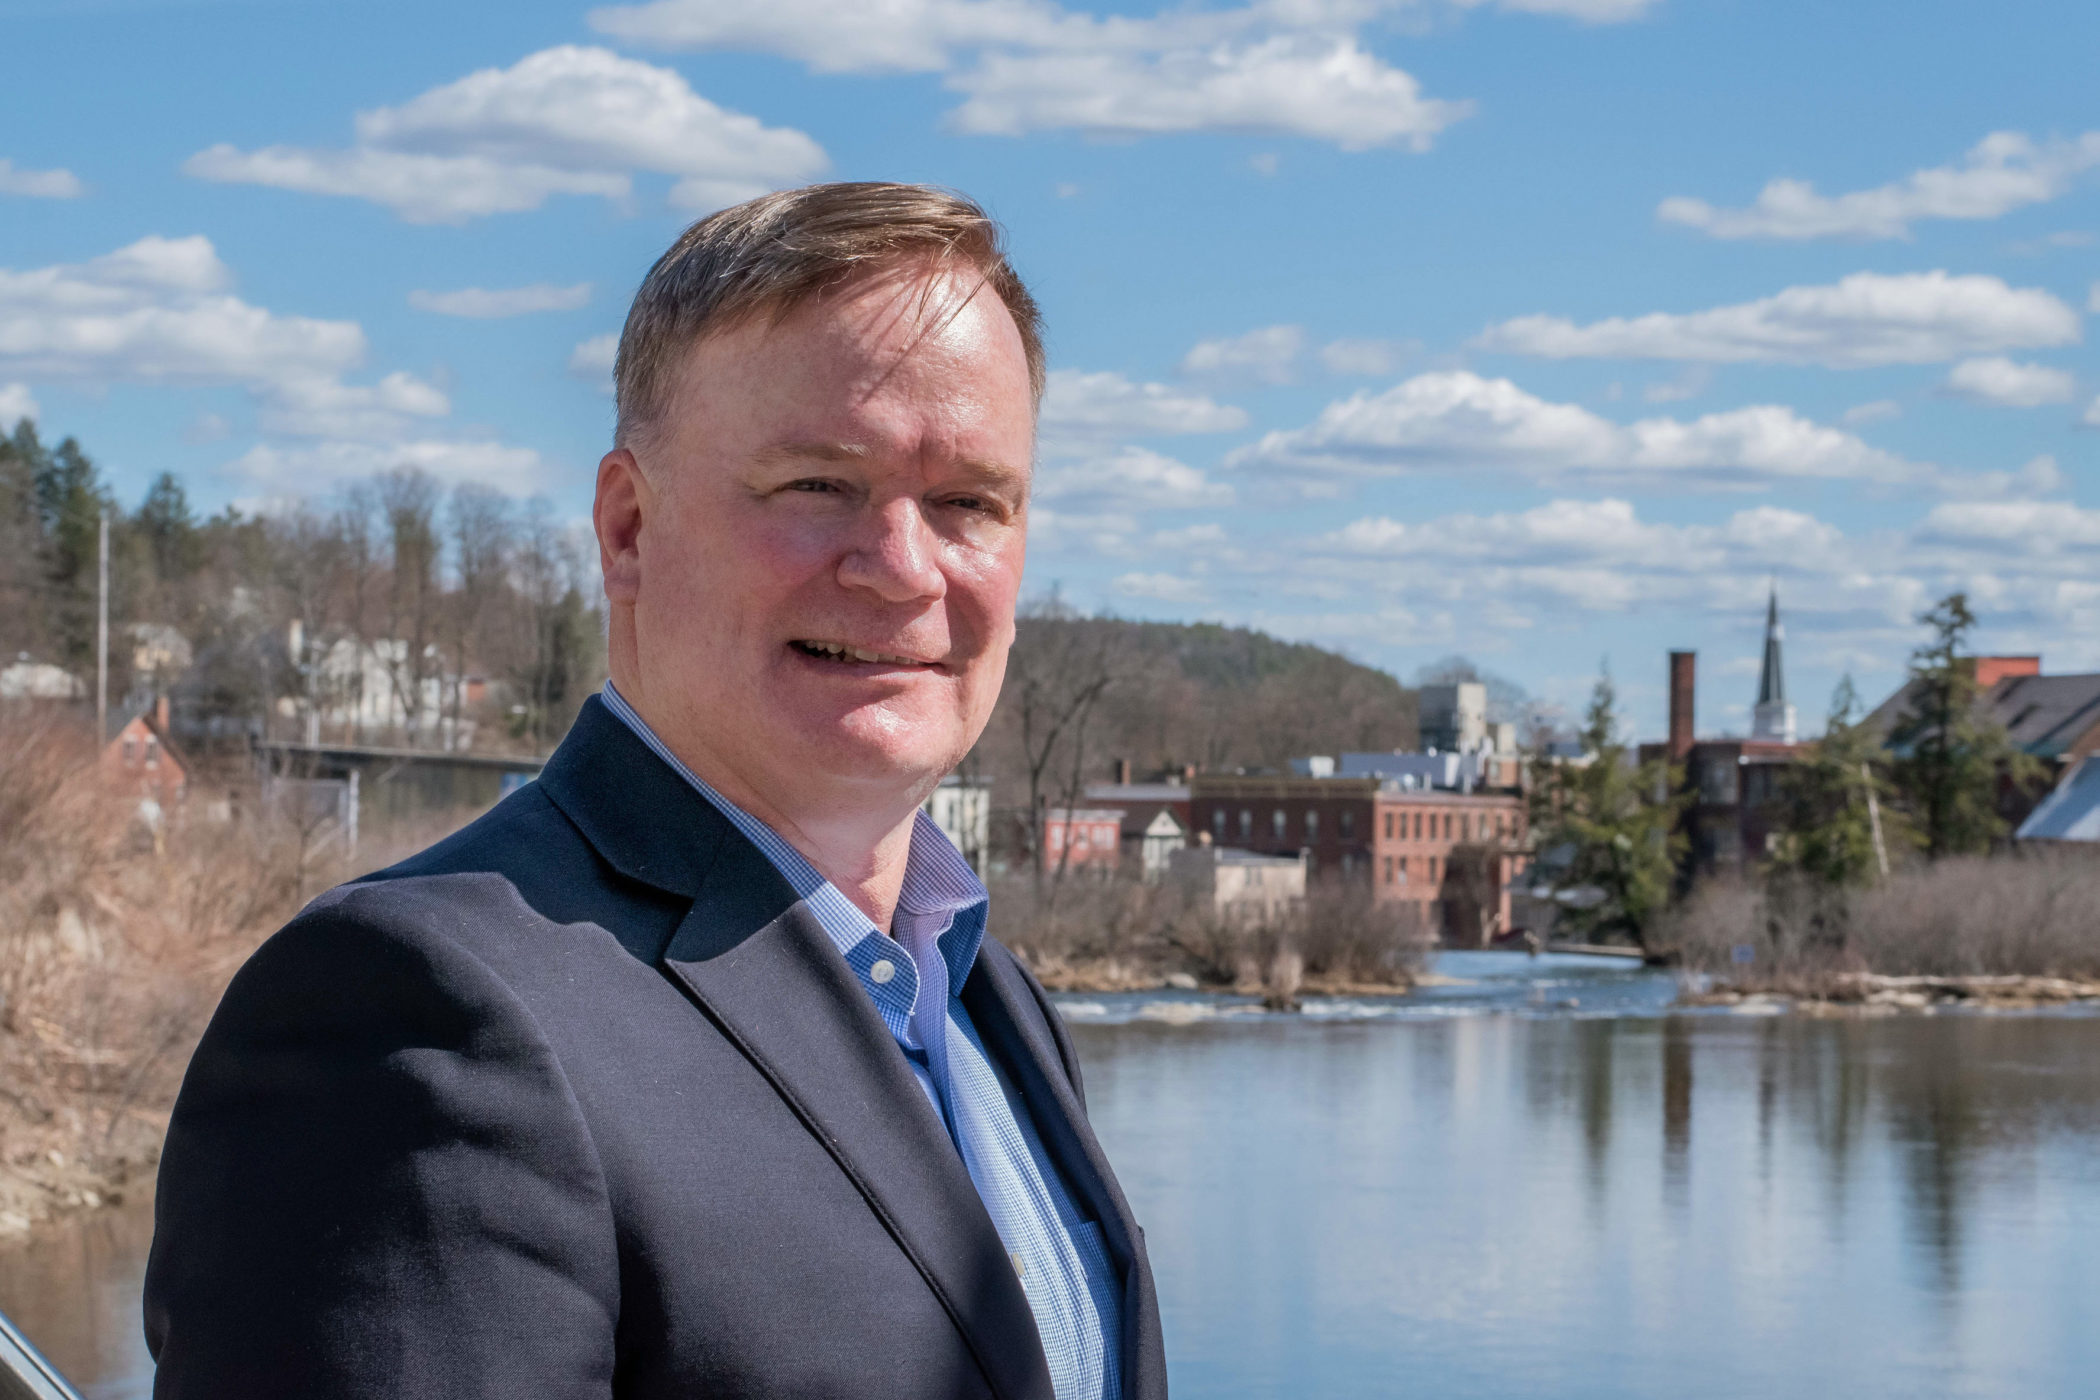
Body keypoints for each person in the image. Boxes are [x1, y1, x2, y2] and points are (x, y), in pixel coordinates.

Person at [143, 183, 1165, 1400]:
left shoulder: (982, 997)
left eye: (967, 503)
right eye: (817, 485)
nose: (902, 568)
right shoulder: (414, 1014)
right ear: (629, 528)